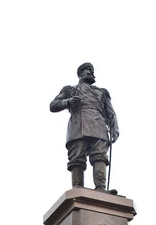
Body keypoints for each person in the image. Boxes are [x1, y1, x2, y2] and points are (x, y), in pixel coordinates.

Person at [50, 62, 119, 191]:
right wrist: (68, 101)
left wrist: (115, 128)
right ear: (81, 73)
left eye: (92, 70)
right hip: (78, 125)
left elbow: (111, 113)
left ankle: (101, 188)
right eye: (89, 70)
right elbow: (53, 105)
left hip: (99, 125)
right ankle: (78, 189)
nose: (92, 73)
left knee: (100, 156)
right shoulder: (69, 90)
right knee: (77, 158)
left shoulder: (102, 92)